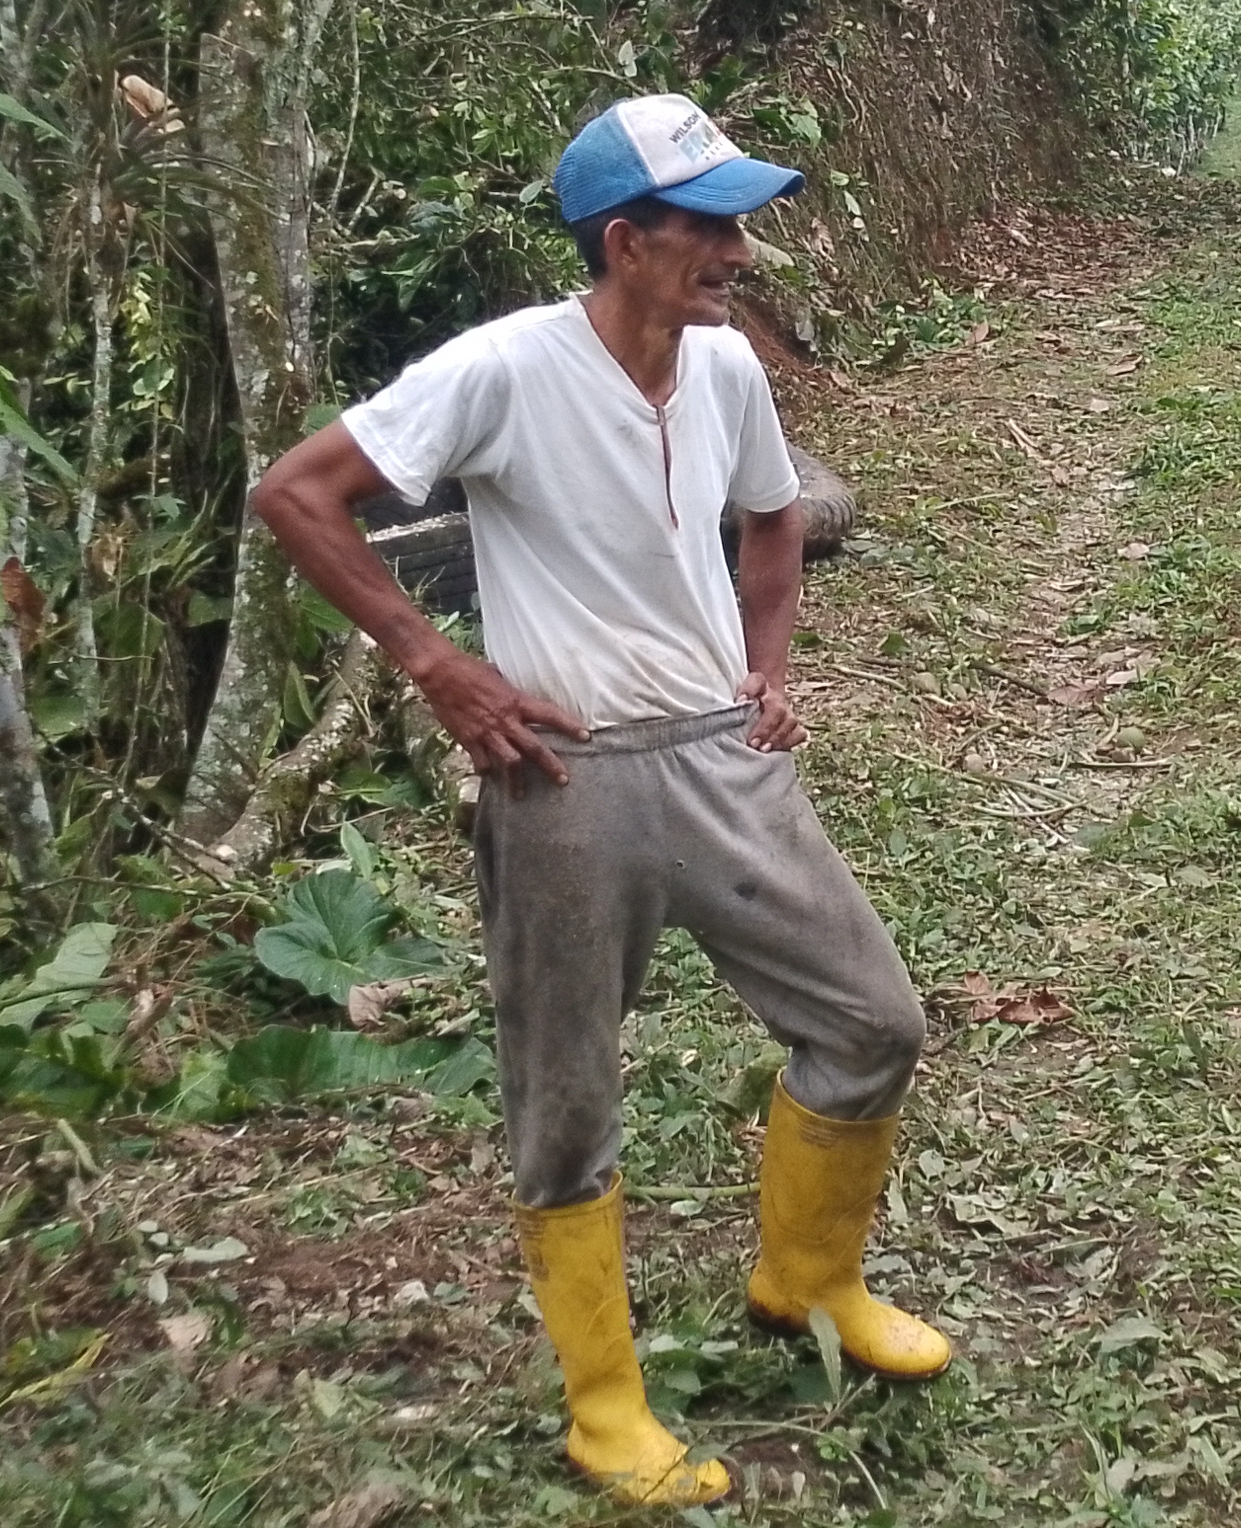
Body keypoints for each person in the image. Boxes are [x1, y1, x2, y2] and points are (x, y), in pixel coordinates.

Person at [249, 94, 942, 1507]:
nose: (739, 253)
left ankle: (808, 1283)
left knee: (873, 1021)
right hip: (566, 776)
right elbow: (299, 494)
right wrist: (439, 665)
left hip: (723, 756)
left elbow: (772, 516)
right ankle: (605, 1405)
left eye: (742, 225)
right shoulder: (503, 369)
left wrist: (767, 665)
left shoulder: (725, 366)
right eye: (711, 228)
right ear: (626, 241)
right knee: (566, 1090)